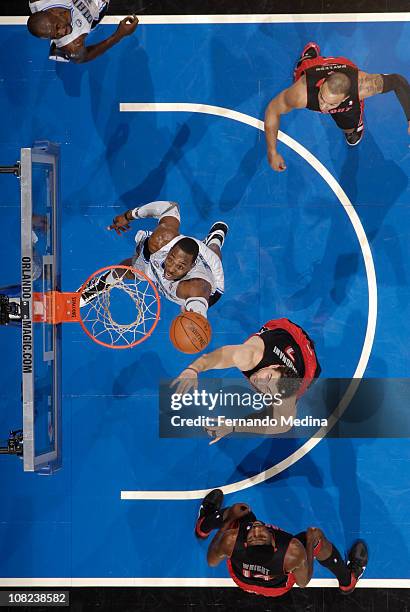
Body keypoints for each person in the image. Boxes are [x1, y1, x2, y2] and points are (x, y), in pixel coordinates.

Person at [196, 489, 368, 598]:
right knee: (316, 540)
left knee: (235, 513)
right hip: (276, 589)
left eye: (253, 535)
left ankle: (202, 527)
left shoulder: (231, 541)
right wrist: (308, 545)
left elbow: (211, 560)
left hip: (242, 579)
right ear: (274, 543)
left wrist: (229, 519)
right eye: (260, 536)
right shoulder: (293, 551)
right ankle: (348, 581)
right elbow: (302, 582)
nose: (256, 529)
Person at [265, 41, 410, 171]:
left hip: (345, 67)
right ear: (321, 86)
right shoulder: (300, 93)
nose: (324, 107)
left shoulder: (363, 87)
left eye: (331, 104)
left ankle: (351, 123)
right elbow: (272, 110)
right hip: (313, 70)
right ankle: (308, 58)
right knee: (302, 70)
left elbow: (398, 81)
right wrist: (272, 152)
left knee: (350, 129)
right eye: (322, 98)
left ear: (346, 97)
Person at [173, 317, 320, 440]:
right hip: (286, 331)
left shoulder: (287, 393)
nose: (261, 382)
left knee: (311, 378)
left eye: (267, 391)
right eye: (268, 377)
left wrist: (234, 426)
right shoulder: (251, 355)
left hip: (308, 365)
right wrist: (194, 369)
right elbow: (219, 357)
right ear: (274, 366)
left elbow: (283, 424)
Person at [80, 200, 228, 320]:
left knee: (214, 254)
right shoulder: (161, 240)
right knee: (131, 270)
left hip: (206, 277)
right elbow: (170, 207)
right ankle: (97, 287)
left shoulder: (197, 287)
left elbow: (199, 312)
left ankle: (214, 240)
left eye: (180, 266)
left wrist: (195, 319)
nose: (171, 269)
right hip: (158, 258)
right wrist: (127, 216)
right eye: (171, 260)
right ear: (168, 252)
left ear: (191, 267)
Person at [27, 0, 138, 63]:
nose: (61, 32)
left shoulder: (43, 1)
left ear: (53, 12)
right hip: (94, 7)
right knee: (73, 52)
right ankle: (59, 49)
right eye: (55, 36)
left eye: (57, 27)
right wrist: (119, 35)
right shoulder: (72, 43)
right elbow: (83, 57)